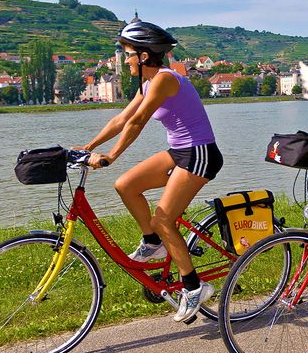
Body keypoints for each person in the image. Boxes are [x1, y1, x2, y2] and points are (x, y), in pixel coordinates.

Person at [81, 16, 224, 323]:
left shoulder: (165, 79)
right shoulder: (148, 83)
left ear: (144, 55)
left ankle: (193, 287)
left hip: (200, 153)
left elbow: (138, 121)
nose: (125, 60)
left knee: (162, 219)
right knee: (126, 185)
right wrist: (88, 147)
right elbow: (122, 119)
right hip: (179, 152)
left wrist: (112, 155)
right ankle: (153, 242)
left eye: (128, 54)